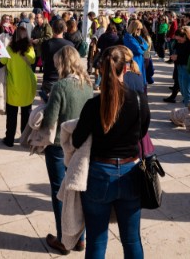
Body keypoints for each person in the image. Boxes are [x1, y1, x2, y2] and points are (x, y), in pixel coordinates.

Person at [73, 45, 150, 259]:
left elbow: (77, 140)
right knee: (132, 239)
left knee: (97, 240)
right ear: (125, 69)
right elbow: (141, 132)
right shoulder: (139, 100)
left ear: (101, 71)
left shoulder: (93, 105)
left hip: (99, 172)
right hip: (130, 171)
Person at [40, 46, 94, 254]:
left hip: (59, 146)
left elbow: (50, 121)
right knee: (78, 190)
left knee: (59, 192)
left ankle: (64, 240)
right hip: (81, 144)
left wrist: (45, 104)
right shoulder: (88, 84)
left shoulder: (59, 87)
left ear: (62, 63)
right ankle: (80, 238)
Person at [0, 26, 36, 147]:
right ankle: (24, 139)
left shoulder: (9, 49)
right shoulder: (30, 49)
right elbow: (32, 60)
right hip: (26, 86)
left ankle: (9, 139)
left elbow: (2, 62)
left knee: (11, 116)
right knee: (26, 114)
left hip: (13, 86)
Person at [41, 18, 74, 100]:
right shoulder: (70, 45)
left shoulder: (46, 44)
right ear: (64, 29)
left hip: (49, 79)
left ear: (52, 28)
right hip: (64, 79)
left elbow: (43, 59)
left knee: (47, 108)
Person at [171, 27, 190, 107]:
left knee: (187, 94)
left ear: (184, 37)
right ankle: (188, 110)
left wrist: (177, 57)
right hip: (180, 68)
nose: (178, 41)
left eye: (179, 39)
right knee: (183, 91)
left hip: (187, 70)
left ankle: (189, 114)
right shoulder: (179, 44)